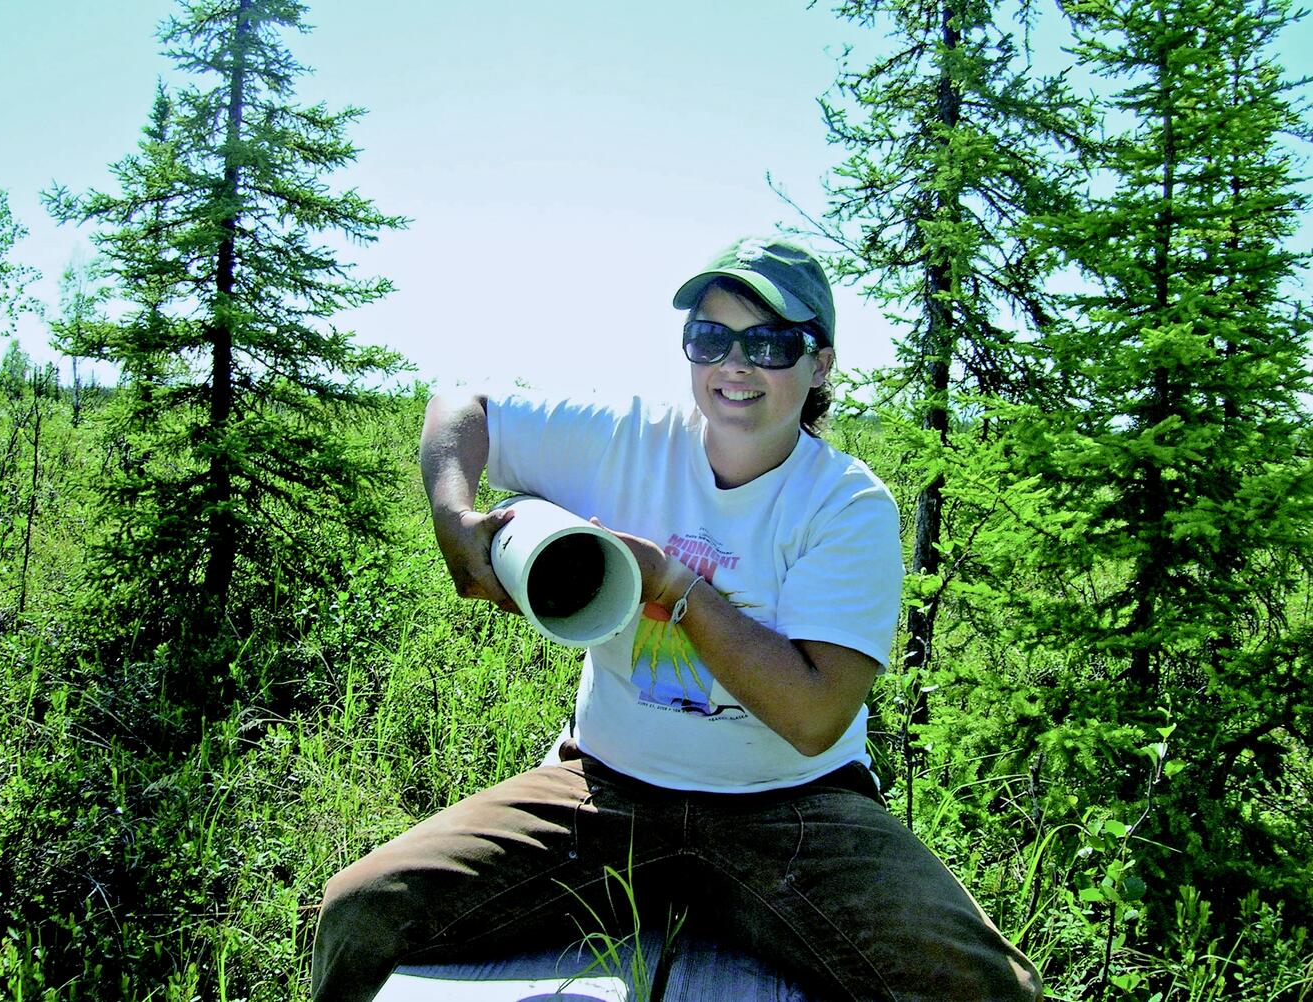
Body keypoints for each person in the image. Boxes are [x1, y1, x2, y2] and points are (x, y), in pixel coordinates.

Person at [310, 237, 1042, 1001]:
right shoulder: (626, 438)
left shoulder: (846, 506)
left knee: (989, 990)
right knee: (363, 913)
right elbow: (463, 407)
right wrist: (454, 515)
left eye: (769, 342)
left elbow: (816, 716)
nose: (735, 363)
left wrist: (673, 584)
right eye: (709, 337)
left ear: (820, 363)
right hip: (605, 794)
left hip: (796, 817)